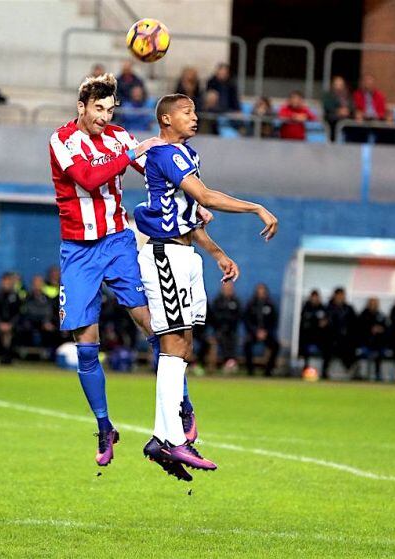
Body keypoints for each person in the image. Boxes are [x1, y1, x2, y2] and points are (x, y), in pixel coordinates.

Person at [135, 93, 277, 478]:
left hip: (186, 256)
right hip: (165, 255)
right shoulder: (165, 154)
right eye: (186, 112)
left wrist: (217, 254)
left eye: (195, 111)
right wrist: (256, 208)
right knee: (172, 344)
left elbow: (191, 213)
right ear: (166, 119)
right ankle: (168, 438)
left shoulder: (186, 155)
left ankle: (168, 433)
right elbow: (206, 197)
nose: (195, 117)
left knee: (184, 346)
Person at [49, 73, 168, 467]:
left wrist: (191, 199)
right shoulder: (62, 140)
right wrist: (133, 152)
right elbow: (88, 176)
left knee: (149, 321)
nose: (104, 116)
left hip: (117, 240)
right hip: (78, 250)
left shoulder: (119, 137)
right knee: (87, 342)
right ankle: (104, 426)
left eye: (110, 109)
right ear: (81, 107)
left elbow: (152, 171)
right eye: (97, 109)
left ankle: (180, 409)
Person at [243, 283, 279, 377]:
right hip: (253, 333)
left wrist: (266, 331)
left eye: (263, 291)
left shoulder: (270, 305)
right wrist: (255, 331)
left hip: (267, 333)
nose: (261, 293)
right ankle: (250, 370)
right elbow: (247, 320)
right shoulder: (251, 304)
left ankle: (268, 371)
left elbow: (274, 321)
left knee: (276, 346)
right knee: (247, 344)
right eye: (259, 291)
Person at [321, 287, 357, 379]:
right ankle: (324, 371)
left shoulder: (349, 309)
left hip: (345, 338)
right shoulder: (327, 308)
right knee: (327, 347)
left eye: (342, 295)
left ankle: (351, 371)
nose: (341, 297)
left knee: (349, 347)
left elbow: (355, 324)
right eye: (339, 295)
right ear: (335, 296)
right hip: (330, 338)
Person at [20, 275, 60, 353]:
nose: (37, 286)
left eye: (39, 283)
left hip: (45, 323)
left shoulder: (48, 298)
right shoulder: (27, 298)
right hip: (31, 322)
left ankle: (50, 353)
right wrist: (43, 321)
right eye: (35, 284)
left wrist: (47, 321)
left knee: (52, 329)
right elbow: (27, 312)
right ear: (32, 285)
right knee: (24, 327)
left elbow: (49, 311)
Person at [0, 272, 21, 364]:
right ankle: (2, 354)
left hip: (11, 324)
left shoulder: (16, 296)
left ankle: (7, 355)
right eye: (5, 281)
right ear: (1, 281)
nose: (7, 283)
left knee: (11, 333)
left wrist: (11, 324)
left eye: (9, 281)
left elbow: (18, 313)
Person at [352, 74, 395, 144]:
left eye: (370, 83)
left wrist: (387, 116)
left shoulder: (380, 95)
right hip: (364, 119)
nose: (368, 85)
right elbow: (356, 109)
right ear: (362, 83)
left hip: (377, 119)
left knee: (390, 125)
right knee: (357, 126)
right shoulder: (357, 95)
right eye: (366, 83)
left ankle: (386, 150)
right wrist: (360, 113)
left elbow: (382, 110)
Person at [209, 281, 241, 364]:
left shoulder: (236, 301)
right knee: (222, 337)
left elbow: (239, 316)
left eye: (230, 288)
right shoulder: (217, 301)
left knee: (232, 338)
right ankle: (228, 360)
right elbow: (213, 317)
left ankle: (231, 360)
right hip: (219, 329)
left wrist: (230, 323)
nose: (228, 289)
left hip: (232, 329)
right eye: (226, 288)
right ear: (222, 289)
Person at [357, 297, 388, 381]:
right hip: (365, 343)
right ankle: (360, 374)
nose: (373, 306)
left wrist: (381, 330)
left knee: (380, 352)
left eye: (375, 304)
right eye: (371, 304)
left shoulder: (381, 315)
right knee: (360, 352)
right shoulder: (362, 316)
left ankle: (378, 374)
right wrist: (370, 329)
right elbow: (358, 330)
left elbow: (387, 329)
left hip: (378, 344)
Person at [299, 289, 327, 368]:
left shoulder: (323, 308)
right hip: (307, 336)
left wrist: (324, 323)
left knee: (327, 346)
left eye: (316, 297)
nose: (315, 299)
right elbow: (303, 323)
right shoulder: (305, 308)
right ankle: (305, 368)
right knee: (304, 346)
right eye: (313, 297)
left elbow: (326, 321)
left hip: (320, 337)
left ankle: (324, 371)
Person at [322, 75, 353, 141]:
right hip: (332, 120)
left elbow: (352, 107)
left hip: (346, 119)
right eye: (336, 84)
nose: (338, 87)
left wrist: (348, 111)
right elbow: (327, 107)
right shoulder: (328, 96)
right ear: (333, 85)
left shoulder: (348, 96)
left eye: (340, 85)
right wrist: (338, 111)